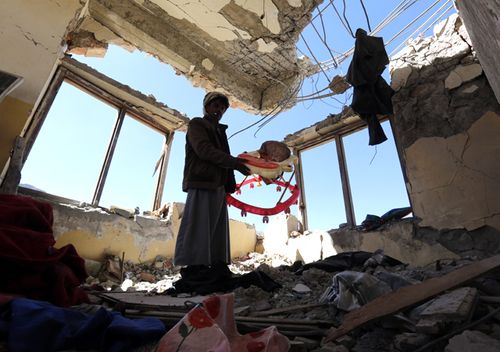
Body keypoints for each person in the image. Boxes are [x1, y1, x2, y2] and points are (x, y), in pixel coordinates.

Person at [173, 92, 250, 273]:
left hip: (218, 185)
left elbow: (224, 159)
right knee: (198, 226)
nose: (219, 110)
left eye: (223, 108)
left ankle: (216, 268)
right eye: (216, 106)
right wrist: (234, 163)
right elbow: (204, 150)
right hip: (202, 181)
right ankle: (194, 269)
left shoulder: (220, 131)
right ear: (206, 107)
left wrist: (243, 164)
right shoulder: (197, 124)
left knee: (216, 231)